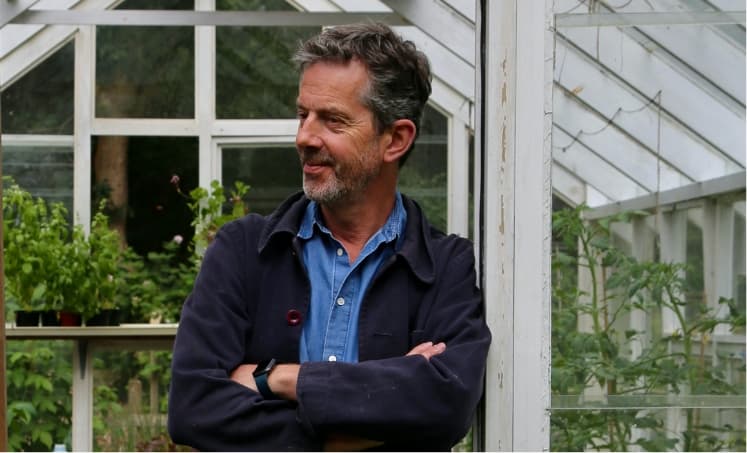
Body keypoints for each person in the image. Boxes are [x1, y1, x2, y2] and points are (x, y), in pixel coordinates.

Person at [168, 22, 491, 451]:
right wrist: (346, 436)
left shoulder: (445, 266)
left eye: (332, 121)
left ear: (395, 139)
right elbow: (193, 410)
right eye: (303, 114)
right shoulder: (243, 251)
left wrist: (277, 378)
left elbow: (446, 406)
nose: (304, 137)